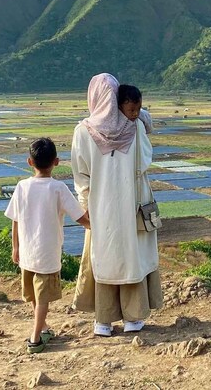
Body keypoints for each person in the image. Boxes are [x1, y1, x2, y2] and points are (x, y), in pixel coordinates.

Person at [72, 74, 163, 337]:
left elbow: (81, 176)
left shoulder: (82, 131)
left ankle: (103, 321)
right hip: (132, 204)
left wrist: (84, 204)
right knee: (132, 255)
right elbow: (144, 160)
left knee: (104, 257)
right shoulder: (133, 128)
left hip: (100, 209)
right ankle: (133, 318)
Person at [5, 138, 90, 354]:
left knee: (34, 294)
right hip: (48, 252)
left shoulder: (22, 186)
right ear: (57, 162)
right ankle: (35, 339)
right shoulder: (58, 187)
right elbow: (81, 217)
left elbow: (15, 219)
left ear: (29, 162)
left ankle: (43, 329)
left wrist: (15, 247)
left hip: (27, 251)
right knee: (42, 296)